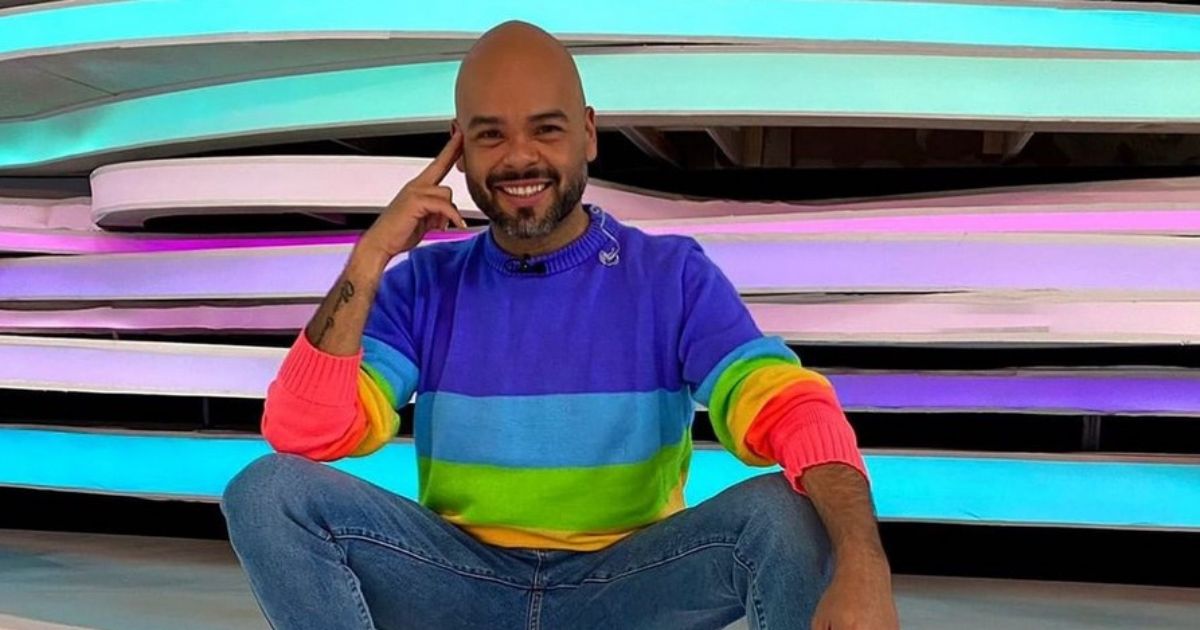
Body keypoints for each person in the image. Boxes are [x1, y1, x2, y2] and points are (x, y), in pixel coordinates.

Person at [221, 20, 899, 630]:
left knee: (787, 510)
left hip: (627, 587)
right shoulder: (424, 284)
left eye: (546, 129)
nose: (520, 157)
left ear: (588, 134)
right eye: (491, 134)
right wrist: (371, 256)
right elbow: (304, 433)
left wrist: (866, 565)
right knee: (269, 490)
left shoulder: (670, 277)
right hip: (460, 585)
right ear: (460, 148)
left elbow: (790, 407)